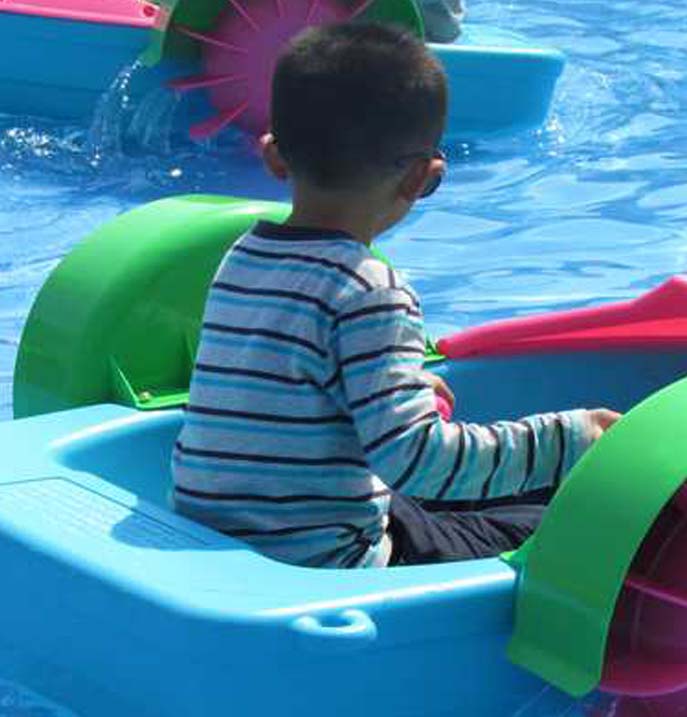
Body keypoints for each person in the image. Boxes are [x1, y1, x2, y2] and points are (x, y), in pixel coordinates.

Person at [171, 22, 619, 568]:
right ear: (420, 179)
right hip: (330, 557)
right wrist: (570, 437)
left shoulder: (242, 256)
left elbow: (285, 393)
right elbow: (421, 464)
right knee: (567, 524)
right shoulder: (368, 290)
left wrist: (381, 388)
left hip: (232, 533)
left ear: (273, 156)